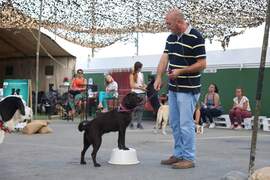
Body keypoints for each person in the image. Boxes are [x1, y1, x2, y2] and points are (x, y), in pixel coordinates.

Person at [154, 9, 206, 169]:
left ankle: (189, 158)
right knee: (175, 123)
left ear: (179, 22)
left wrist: (180, 71)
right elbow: (164, 57)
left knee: (185, 124)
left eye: (169, 23)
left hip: (188, 89)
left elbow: (202, 64)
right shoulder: (171, 38)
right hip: (173, 89)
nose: (167, 26)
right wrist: (158, 76)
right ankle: (178, 154)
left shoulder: (195, 37)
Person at [129, 61, 147, 129]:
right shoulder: (132, 74)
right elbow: (132, 85)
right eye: (141, 67)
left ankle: (139, 123)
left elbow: (143, 84)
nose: (141, 69)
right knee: (133, 109)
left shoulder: (141, 74)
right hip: (135, 94)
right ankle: (131, 123)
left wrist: (145, 87)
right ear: (138, 67)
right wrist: (141, 88)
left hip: (142, 93)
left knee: (141, 109)